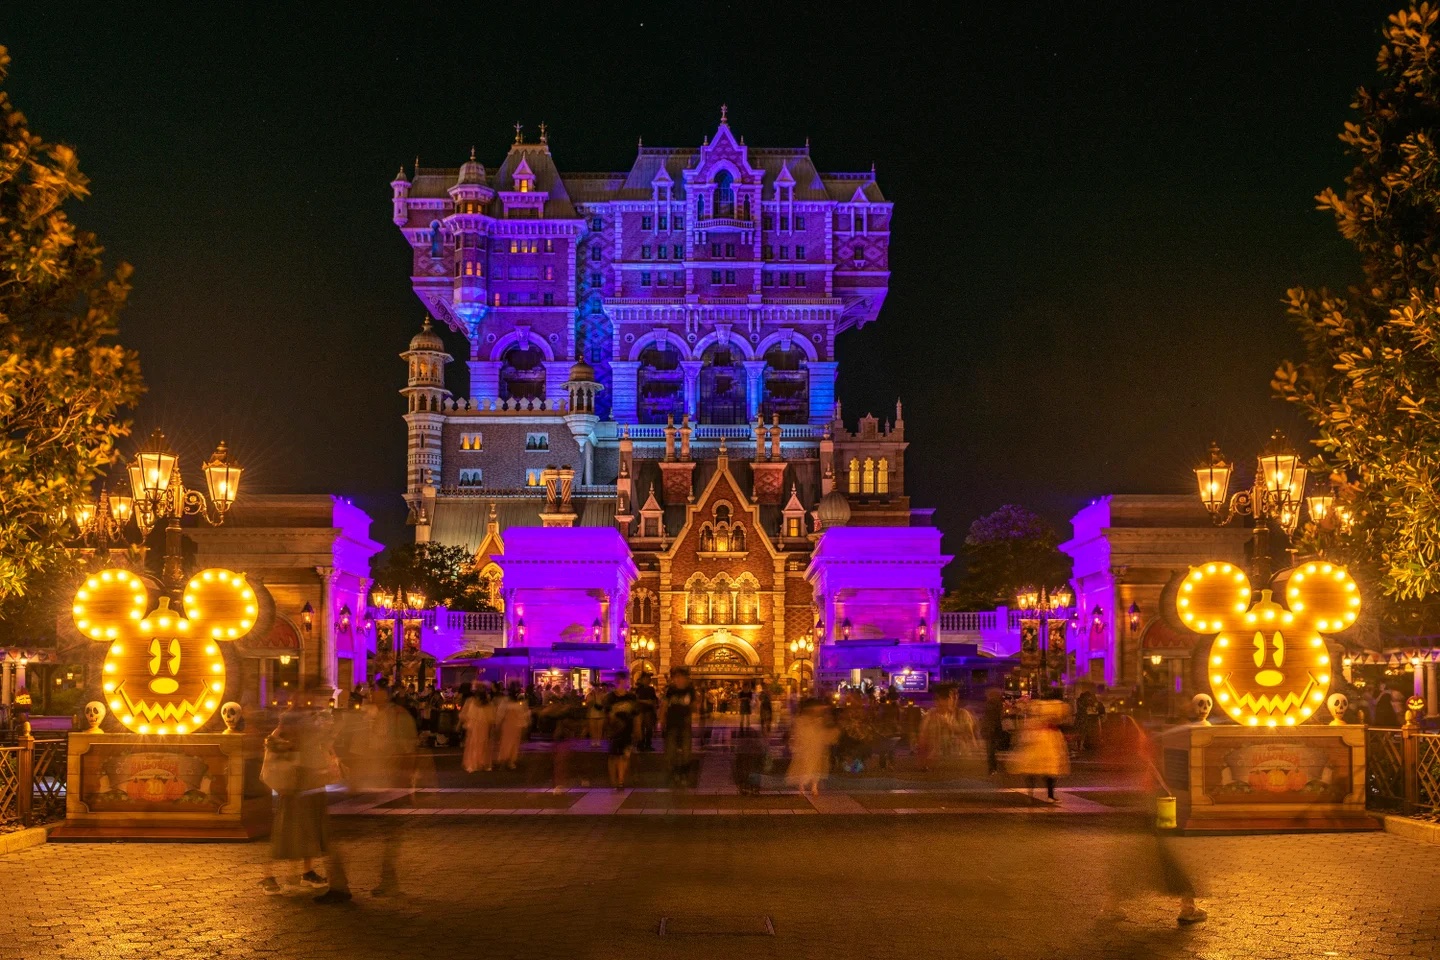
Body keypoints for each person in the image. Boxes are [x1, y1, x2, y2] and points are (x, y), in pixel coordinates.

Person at [316, 685, 418, 904]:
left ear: (387, 695)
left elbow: (409, 750)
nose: (373, 695)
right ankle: (339, 886)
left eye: (378, 691)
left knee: (389, 838)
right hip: (363, 785)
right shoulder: (362, 716)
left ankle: (387, 882)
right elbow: (350, 747)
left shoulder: (398, 716)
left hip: (388, 785)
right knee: (337, 835)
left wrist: (406, 781)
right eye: (372, 692)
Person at [260, 704, 331, 894]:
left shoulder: (304, 738)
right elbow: (276, 767)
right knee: (283, 835)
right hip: (292, 793)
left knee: (309, 832)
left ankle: (307, 872)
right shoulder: (280, 740)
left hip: (308, 790)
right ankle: (268, 875)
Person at [1009, 694, 1070, 802]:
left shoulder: (1034, 705)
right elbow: (1061, 718)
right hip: (1049, 738)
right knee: (1050, 768)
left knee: (1031, 767)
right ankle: (1050, 796)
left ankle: (1030, 793)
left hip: (1034, 736)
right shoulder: (1056, 705)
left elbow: (1019, 710)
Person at [787, 699, 839, 798]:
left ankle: (814, 787)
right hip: (806, 747)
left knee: (816, 766)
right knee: (803, 767)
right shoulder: (801, 720)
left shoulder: (819, 720)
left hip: (816, 747)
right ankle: (802, 787)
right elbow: (797, 733)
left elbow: (824, 732)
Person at [663, 667, 697, 787]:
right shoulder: (670, 690)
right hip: (672, 725)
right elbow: (664, 706)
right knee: (671, 752)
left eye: (680, 677)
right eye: (676, 677)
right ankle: (673, 773)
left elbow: (694, 706)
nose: (678, 680)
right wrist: (662, 721)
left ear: (685, 678)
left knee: (686, 752)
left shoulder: (690, 690)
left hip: (685, 725)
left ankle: (684, 773)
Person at [605, 676, 638, 789]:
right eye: (621, 682)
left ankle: (621, 781)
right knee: (613, 756)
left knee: (624, 756)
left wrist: (637, 728)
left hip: (627, 730)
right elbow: (608, 714)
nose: (623, 684)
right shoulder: (610, 697)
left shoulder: (631, 697)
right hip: (615, 731)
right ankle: (614, 780)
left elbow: (636, 714)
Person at [459, 685, 495, 773]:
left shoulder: (485, 705)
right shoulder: (471, 702)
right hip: (476, 728)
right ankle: (476, 763)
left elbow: (491, 718)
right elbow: (465, 715)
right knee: (475, 745)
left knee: (480, 745)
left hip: (481, 728)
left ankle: (480, 763)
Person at [495, 683, 530, 770]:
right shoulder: (508, 702)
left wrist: (498, 723)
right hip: (510, 726)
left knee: (511, 744)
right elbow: (501, 714)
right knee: (508, 743)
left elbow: (500, 714)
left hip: (513, 726)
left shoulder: (514, 702)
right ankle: (506, 761)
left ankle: (508, 761)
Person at [981, 687, 1007, 775]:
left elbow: (986, 717)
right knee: (994, 749)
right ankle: (995, 768)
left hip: (989, 729)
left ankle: (992, 768)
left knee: (990, 750)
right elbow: (999, 717)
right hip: (995, 729)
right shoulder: (998, 704)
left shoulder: (989, 704)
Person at [635, 673, 659, 751]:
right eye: (646, 678)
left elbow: (653, 700)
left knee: (649, 728)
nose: (648, 680)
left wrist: (653, 703)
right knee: (642, 728)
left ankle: (647, 744)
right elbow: (637, 700)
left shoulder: (651, 689)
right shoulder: (639, 689)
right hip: (642, 711)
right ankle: (641, 744)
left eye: (649, 679)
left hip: (649, 711)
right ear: (642, 680)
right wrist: (646, 702)